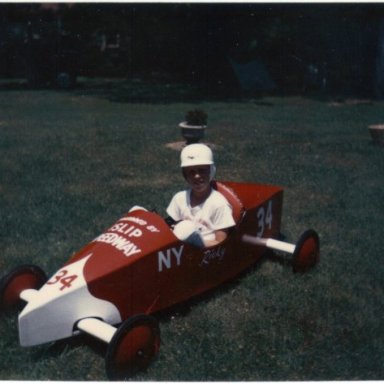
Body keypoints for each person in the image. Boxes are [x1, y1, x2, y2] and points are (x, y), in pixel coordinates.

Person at [166, 143, 235, 248]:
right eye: (191, 172)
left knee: (185, 227)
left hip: (205, 252)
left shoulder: (219, 203)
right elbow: (170, 227)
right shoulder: (179, 198)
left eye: (202, 171)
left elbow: (221, 243)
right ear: (185, 176)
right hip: (180, 248)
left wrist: (197, 242)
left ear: (210, 171)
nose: (197, 176)